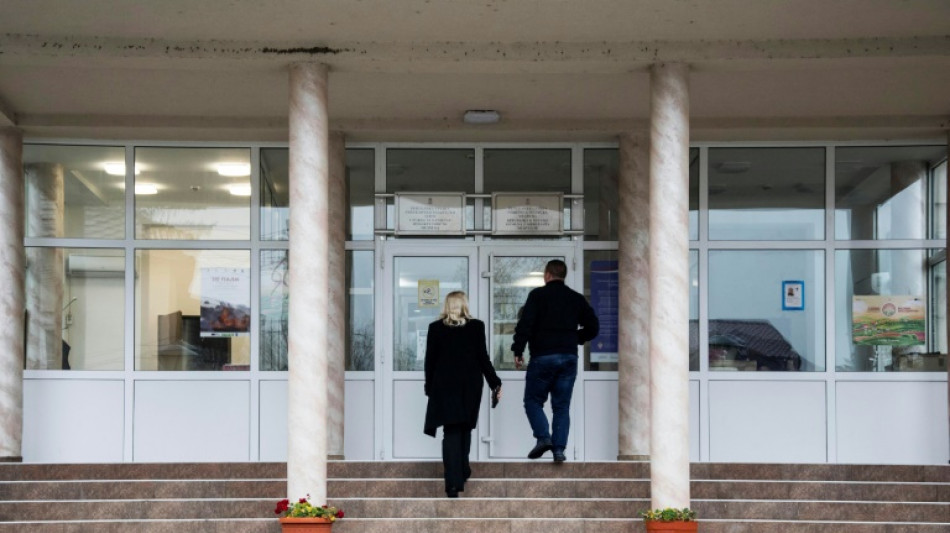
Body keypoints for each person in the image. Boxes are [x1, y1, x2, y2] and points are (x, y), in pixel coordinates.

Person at [511, 259, 599, 463]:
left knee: (533, 401)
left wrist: (518, 349)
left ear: (547, 275)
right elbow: (593, 327)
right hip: (568, 357)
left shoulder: (537, 296)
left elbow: (525, 325)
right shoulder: (576, 298)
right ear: (564, 275)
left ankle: (543, 438)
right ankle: (559, 450)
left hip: (542, 356)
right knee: (561, 406)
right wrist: (574, 338)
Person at [423, 291, 502, 498]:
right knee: (464, 427)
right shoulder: (476, 326)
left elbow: (430, 361)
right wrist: (495, 382)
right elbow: (483, 358)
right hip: (470, 385)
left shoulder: (435, 328)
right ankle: (461, 472)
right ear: (464, 305)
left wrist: (429, 388)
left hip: (444, 386)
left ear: (447, 306)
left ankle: (454, 480)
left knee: (451, 430)